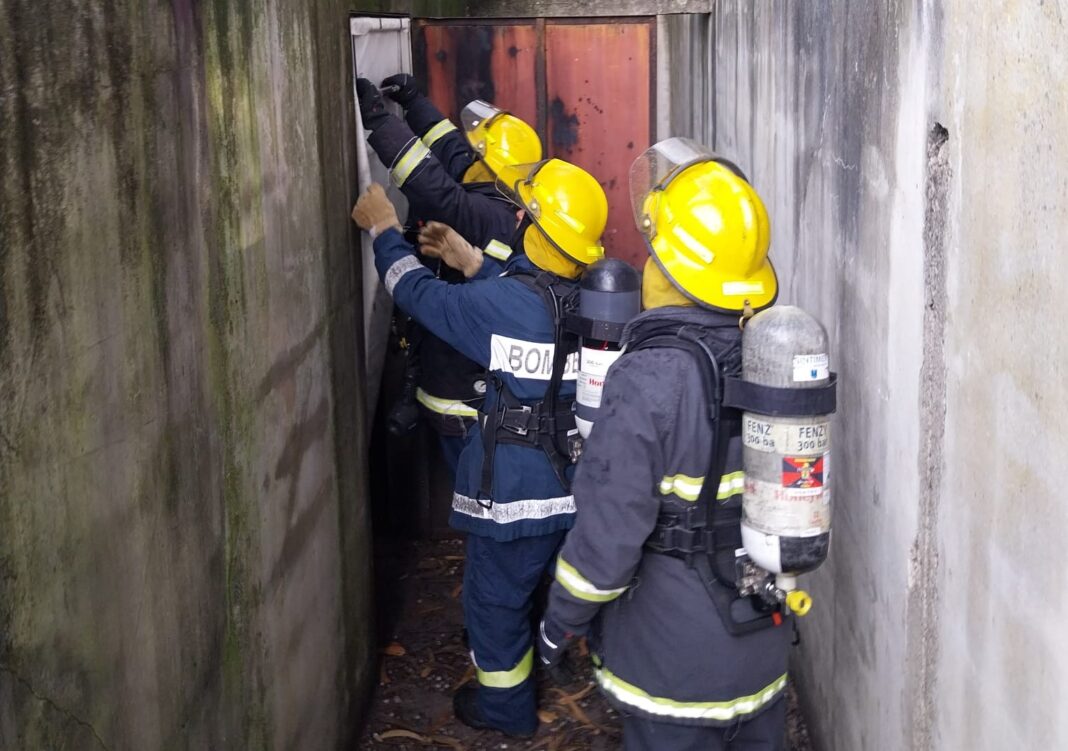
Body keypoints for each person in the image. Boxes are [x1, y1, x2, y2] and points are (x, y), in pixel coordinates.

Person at [538, 138, 791, 750]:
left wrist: (557, 625)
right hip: (761, 651)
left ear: (668, 270)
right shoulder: (774, 356)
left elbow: (606, 540)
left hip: (674, 669)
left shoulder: (647, 379)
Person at [351, 157, 608, 739]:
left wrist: (384, 229)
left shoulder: (504, 307)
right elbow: (533, 300)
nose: (515, 214)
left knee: (494, 603)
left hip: (516, 493)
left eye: (526, 212)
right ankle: (563, 654)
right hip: (577, 484)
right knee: (555, 583)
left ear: (534, 227)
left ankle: (505, 710)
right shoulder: (597, 296)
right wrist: (472, 261)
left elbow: (415, 293)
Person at [356, 76, 542, 472]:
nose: (467, 156)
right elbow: (450, 147)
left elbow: (432, 186)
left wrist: (378, 121)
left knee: (475, 497)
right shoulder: (499, 189)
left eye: (477, 154)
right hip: (458, 386)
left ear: (490, 167)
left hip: (461, 400)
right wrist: (413, 100)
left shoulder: (489, 215)